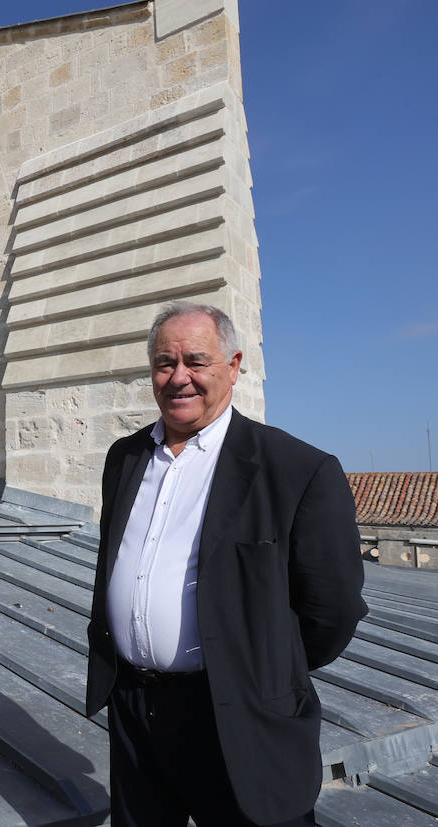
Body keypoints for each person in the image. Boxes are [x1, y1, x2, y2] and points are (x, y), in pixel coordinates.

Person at [84, 302, 366, 826]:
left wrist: (261, 673)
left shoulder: (297, 469)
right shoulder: (124, 458)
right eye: (164, 363)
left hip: (241, 720)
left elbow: (335, 609)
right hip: (135, 710)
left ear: (234, 366)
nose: (179, 377)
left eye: (197, 360)